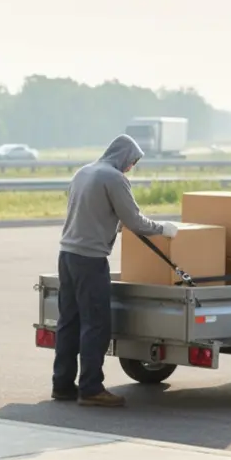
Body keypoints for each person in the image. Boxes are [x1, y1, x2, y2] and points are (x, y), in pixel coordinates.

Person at [54, 134, 177, 407]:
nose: (131, 167)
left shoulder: (84, 172)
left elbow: (90, 211)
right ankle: (91, 389)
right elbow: (136, 220)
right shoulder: (114, 178)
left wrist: (114, 223)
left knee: (69, 322)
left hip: (67, 255)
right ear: (123, 157)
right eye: (132, 162)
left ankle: (62, 385)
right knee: (96, 324)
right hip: (90, 259)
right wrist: (163, 229)